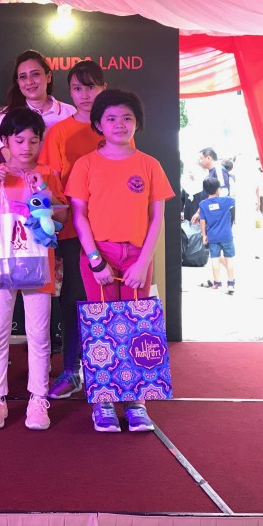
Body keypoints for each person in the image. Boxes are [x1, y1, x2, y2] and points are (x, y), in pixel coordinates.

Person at [67, 89, 174, 433]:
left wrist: (143, 262)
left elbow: (157, 218)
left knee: (138, 328)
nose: (119, 124)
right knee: (101, 330)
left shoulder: (150, 165)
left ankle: (137, 401)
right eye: (111, 118)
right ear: (98, 123)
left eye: (127, 118)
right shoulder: (85, 164)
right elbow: (79, 216)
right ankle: (103, 401)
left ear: (137, 123)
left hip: (137, 259)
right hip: (99, 257)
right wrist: (96, 259)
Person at [0, 108, 65, 431]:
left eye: (33, 140)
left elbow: (61, 221)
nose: (26, 146)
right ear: (5, 141)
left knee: (39, 336)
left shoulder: (49, 174)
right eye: (19, 139)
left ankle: (38, 399)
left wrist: (44, 193)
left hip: (39, 269)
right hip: (0, 269)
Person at [37, 59, 108, 400]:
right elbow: (52, 183)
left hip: (113, 230)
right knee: (73, 298)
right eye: (78, 88)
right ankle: (71, 369)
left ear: (103, 89)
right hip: (72, 231)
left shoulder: (114, 126)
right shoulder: (59, 132)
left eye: (91, 87)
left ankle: (107, 370)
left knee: (107, 300)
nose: (84, 94)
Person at [0, 49, 74, 139]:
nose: (29, 82)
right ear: (18, 82)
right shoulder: (6, 116)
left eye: (35, 74)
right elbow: (6, 152)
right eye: (23, 77)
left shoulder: (69, 112)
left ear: (48, 77)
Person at [198, 177, 237, 293]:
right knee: (229, 259)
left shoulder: (203, 204)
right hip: (227, 236)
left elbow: (202, 221)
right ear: (217, 190)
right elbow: (234, 198)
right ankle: (230, 284)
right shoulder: (225, 201)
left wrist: (204, 235)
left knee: (214, 259)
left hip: (213, 237)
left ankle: (216, 283)